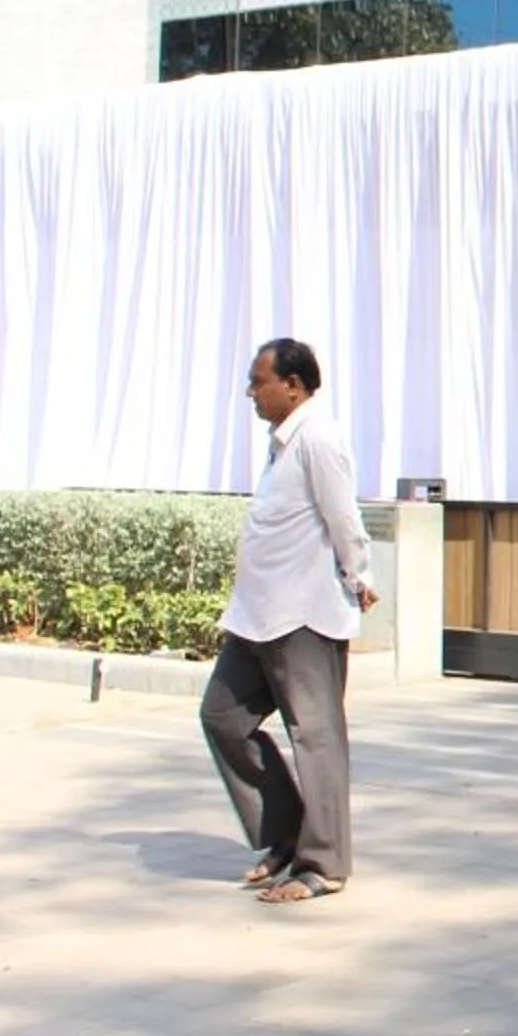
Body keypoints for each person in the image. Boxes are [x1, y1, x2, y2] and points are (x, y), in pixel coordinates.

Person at [200, 338, 377, 905]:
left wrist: (359, 576)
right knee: (223, 717)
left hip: (304, 615)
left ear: (293, 386)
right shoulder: (284, 442)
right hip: (256, 616)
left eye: (259, 382)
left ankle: (322, 865)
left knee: (315, 736)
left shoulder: (318, 438)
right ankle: (287, 834)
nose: (250, 392)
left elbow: (343, 516)